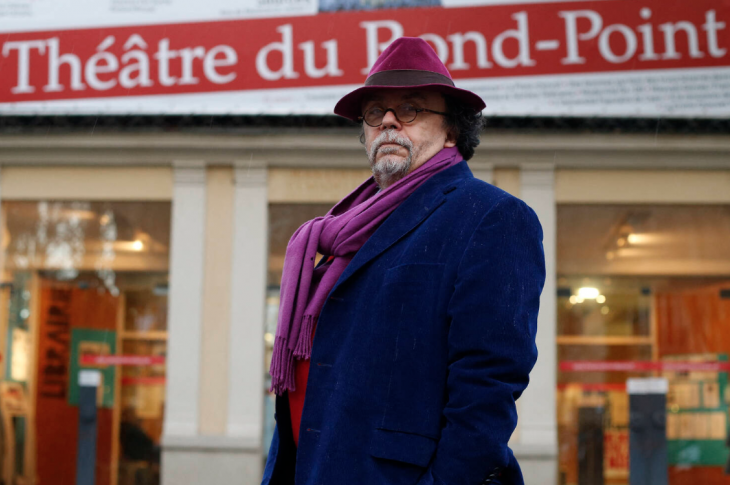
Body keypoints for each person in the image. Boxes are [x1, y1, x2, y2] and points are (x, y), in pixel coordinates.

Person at [262, 37, 545, 485]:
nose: (389, 121)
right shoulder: (340, 229)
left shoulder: (493, 217)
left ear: (452, 130)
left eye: (411, 109)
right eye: (375, 112)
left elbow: (486, 390)